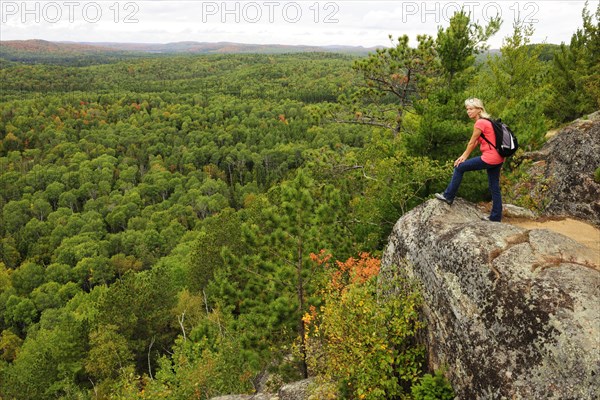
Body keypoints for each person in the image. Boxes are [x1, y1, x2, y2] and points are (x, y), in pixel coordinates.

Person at [435, 98, 505, 222]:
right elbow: (477, 142)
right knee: (494, 186)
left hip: (490, 157)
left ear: (479, 110)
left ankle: (448, 196)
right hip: (499, 157)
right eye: (467, 109)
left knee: (460, 167)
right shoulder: (487, 121)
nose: (468, 112)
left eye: (471, 109)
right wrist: (465, 155)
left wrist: (463, 157)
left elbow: (472, 142)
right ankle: (496, 217)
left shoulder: (480, 123)